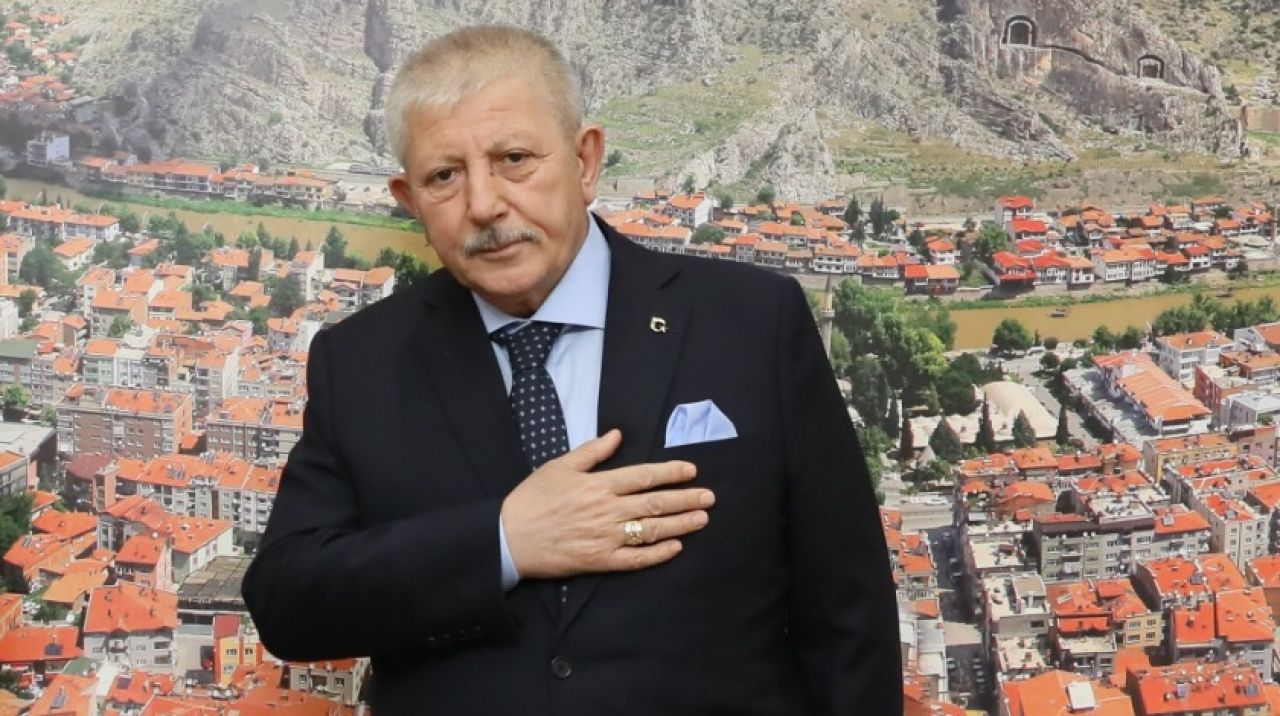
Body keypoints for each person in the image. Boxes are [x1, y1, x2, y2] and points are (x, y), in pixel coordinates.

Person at [241, 24, 900, 715]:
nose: (484, 205)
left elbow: (849, 614)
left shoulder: (752, 322)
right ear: (409, 202)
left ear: (586, 162)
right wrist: (504, 540)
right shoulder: (361, 361)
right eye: (444, 177)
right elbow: (288, 600)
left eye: (514, 159)